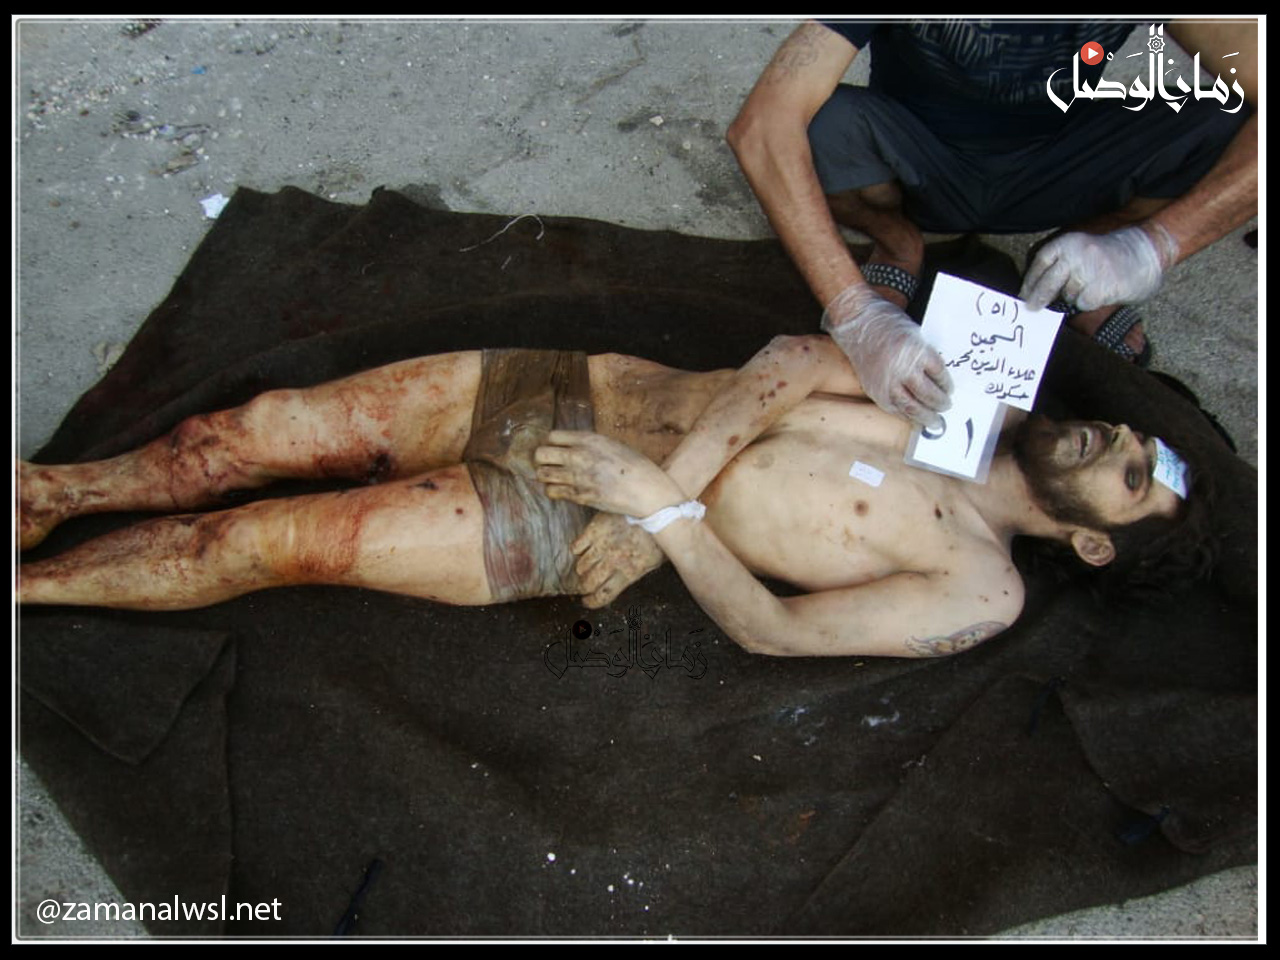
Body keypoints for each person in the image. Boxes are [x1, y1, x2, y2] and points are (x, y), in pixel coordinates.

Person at [17, 335, 1209, 658]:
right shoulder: (978, 390)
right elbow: (796, 356)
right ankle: (53, 491)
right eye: (1136, 437)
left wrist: (660, 526)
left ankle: (27, 589)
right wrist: (664, 489)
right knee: (256, 429)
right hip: (584, 393)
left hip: (566, 520)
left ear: (1094, 547)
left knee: (270, 541)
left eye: (1130, 477)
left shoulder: (981, 588)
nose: (1118, 440)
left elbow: (776, 630)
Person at [726, 19, 1257, 427]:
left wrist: (1152, 246)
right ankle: (895, 238)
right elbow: (762, 126)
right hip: (918, 160)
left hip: (1059, 160)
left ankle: (1092, 252)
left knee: (1223, 122)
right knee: (816, 121)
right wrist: (854, 312)